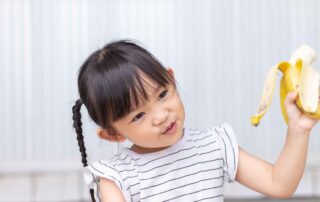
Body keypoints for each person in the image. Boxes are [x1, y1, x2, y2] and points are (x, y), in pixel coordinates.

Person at [72, 40, 318, 202]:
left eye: (162, 94)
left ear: (171, 79)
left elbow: (279, 184)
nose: (161, 115)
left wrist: (298, 130)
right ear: (113, 134)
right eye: (138, 115)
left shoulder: (213, 145)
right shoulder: (117, 177)